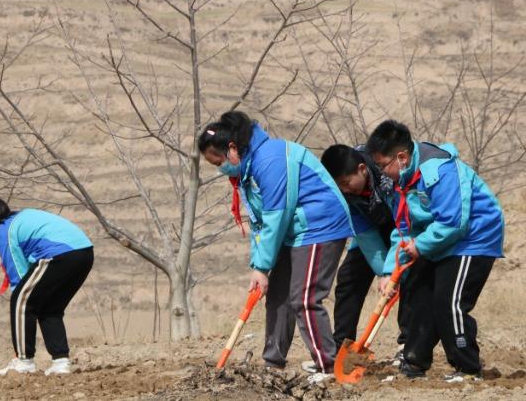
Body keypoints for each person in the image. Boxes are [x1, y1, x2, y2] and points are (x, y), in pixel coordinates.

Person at [198, 111, 353, 380]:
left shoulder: (270, 159)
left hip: (320, 225)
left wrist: (262, 265)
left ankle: (328, 365)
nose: (221, 167)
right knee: (278, 294)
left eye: (220, 161)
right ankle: (273, 363)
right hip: (292, 230)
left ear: (232, 148)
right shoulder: (247, 170)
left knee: (304, 297)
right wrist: (259, 268)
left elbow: (276, 215)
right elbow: (260, 224)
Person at [365, 120, 504, 382]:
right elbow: (404, 230)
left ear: (402, 157)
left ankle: (467, 368)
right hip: (438, 239)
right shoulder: (400, 182)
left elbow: (454, 222)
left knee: (447, 301)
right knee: (418, 293)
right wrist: (388, 272)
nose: (383, 173)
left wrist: (420, 245)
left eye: (384, 166)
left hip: (473, 237)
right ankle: (414, 364)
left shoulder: (439, 169)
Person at [0, 194, 94, 376]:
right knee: (49, 307)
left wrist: (20, 299)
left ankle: (24, 361)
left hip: (59, 255)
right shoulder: (20, 218)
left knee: (21, 300)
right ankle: (61, 362)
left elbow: (19, 279)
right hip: (84, 253)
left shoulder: (4, 233)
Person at [320, 144, 408, 360]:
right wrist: (383, 273)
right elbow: (365, 234)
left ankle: (408, 345)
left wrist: (392, 273)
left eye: (346, 183)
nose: (345, 190)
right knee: (348, 278)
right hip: (370, 229)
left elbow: (403, 223)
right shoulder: (345, 194)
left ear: (362, 169)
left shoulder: (387, 173)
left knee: (407, 279)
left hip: (403, 226)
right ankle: (342, 349)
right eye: (339, 187)